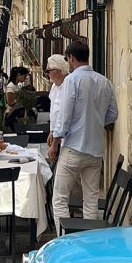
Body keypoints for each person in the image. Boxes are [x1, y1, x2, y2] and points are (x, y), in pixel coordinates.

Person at [50, 41, 117, 235]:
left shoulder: (71, 81)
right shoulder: (104, 81)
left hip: (73, 147)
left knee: (60, 198)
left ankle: (63, 240)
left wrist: (55, 143)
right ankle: (90, 242)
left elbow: (64, 117)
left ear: (71, 58)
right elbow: (112, 114)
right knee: (91, 200)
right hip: (95, 149)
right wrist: (95, 121)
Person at [45, 55, 69, 163]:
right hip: (57, 135)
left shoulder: (69, 86)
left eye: (48, 71)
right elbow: (53, 110)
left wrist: (55, 141)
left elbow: (63, 115)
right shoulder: (54, 87)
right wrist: (52, 130)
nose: (47, 74)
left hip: (66, 139)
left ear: (57, 72)